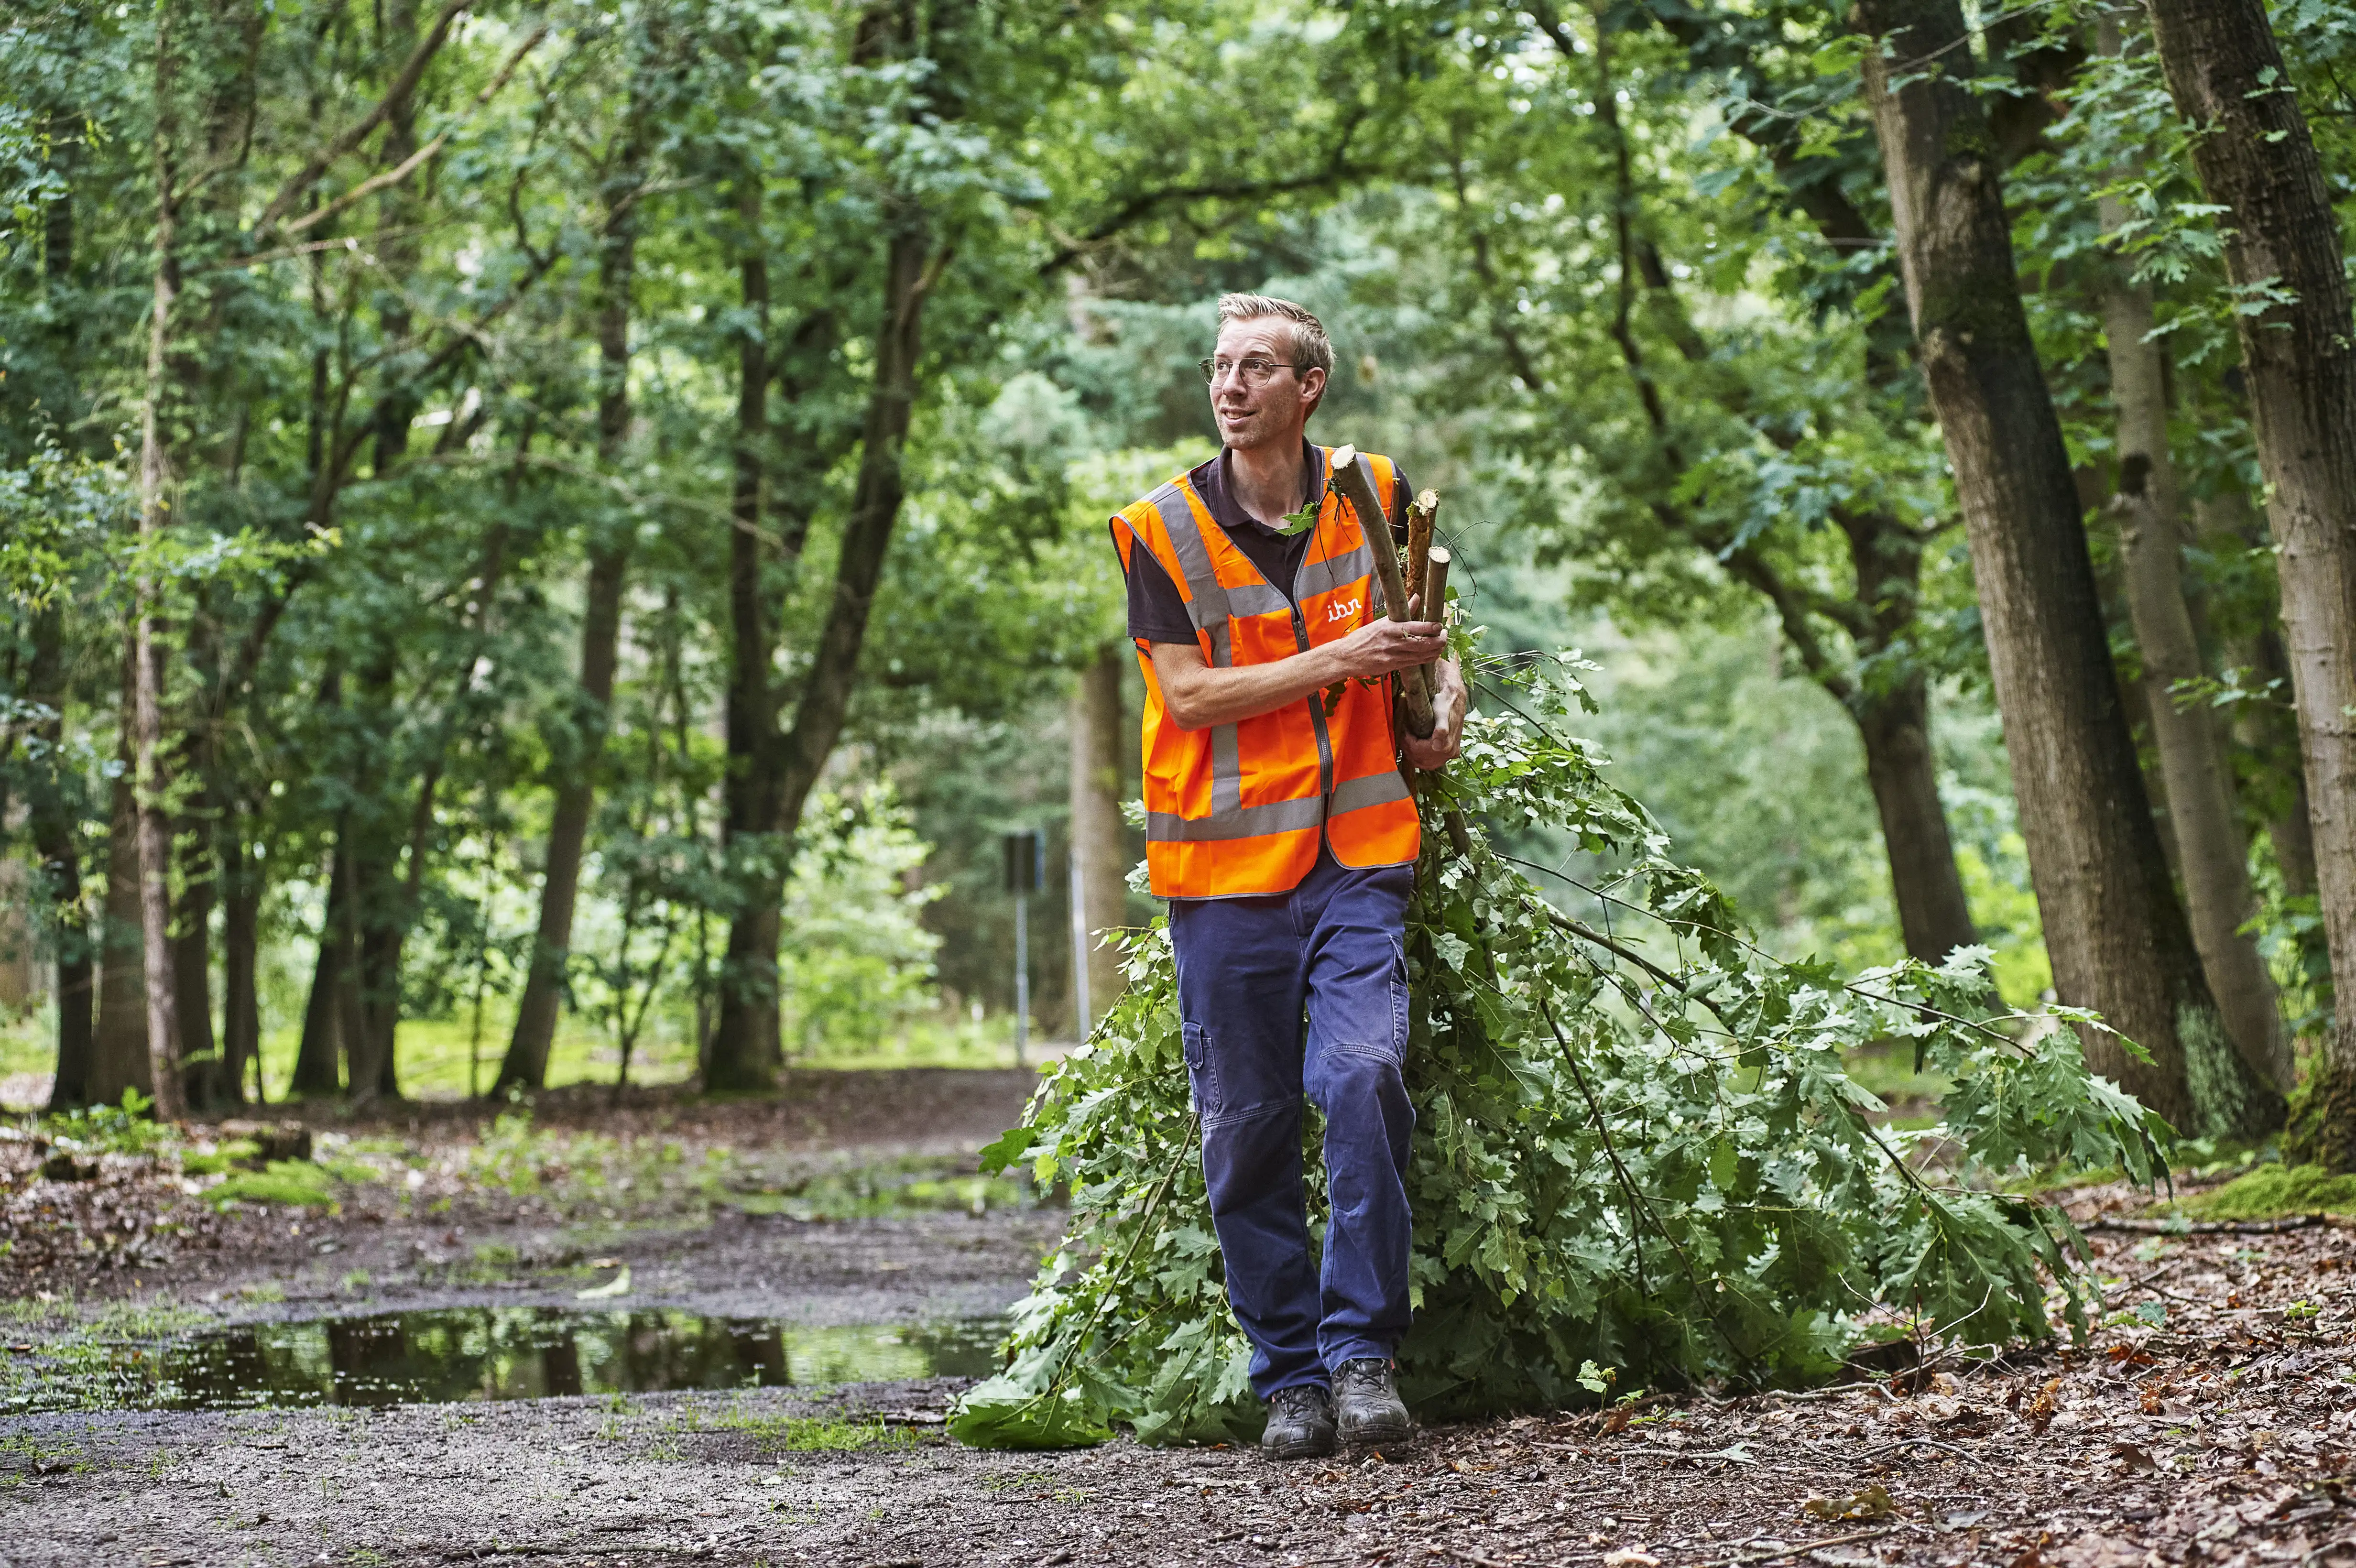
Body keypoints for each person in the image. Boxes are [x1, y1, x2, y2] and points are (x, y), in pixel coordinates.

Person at [1109, 294, 1467, 1459]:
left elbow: (1428, 633)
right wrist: (1342, 658)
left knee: (1361, 1076)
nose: (1230, 385)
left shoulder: (1375, 493)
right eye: (1220, 366)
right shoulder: (1159, 527)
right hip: (1221, 879)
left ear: (1308, 386)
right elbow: (1190, 695)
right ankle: (1290, 1380)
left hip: (1359, 860)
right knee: (1247, 1126)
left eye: (1257, 366)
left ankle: (1364, 1357)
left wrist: (1443, 699)